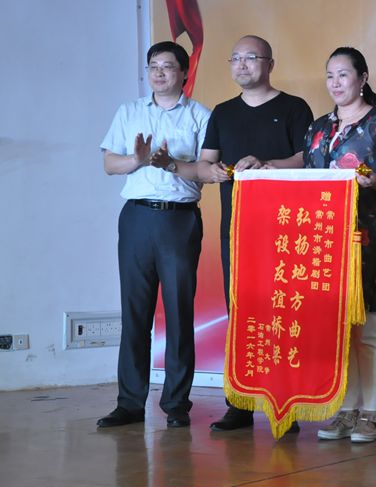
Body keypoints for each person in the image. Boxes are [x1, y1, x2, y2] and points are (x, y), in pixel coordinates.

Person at [195, 35, 314, 432]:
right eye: (236, 59)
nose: (242, 65)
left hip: (284, 228)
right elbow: (205, 163)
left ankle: (286, 405)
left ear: (270, 64)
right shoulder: (223, 113)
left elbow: (307, 159)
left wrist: (267, 164)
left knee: (283, 312)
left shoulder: (294, 108)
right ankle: (240, 403)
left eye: (251, 58)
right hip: (237, 229)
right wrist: (211, 172)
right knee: (241, 312)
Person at [97, 41, 210, 428]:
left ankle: (176, 403)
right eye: (153, 66)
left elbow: (206, 170)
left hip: (179, 220)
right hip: (137, 218)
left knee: (179, 312)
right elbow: (109, 163)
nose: (159, 73)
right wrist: (138, 160)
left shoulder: (200, 115)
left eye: (167, 66)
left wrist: (170, 163)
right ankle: (129, 403)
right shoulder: (129, 111)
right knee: (134, 312)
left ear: (184, 73)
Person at [305, 47, 376, 443]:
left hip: (366, 240)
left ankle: (370, 412)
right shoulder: (318, 128)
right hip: (324, 239)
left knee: (367, 327)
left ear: (363, 78)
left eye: (343, 74)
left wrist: (374, 181)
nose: (335, 83)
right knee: (337, 328)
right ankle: (345, 409)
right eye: (330, 75)